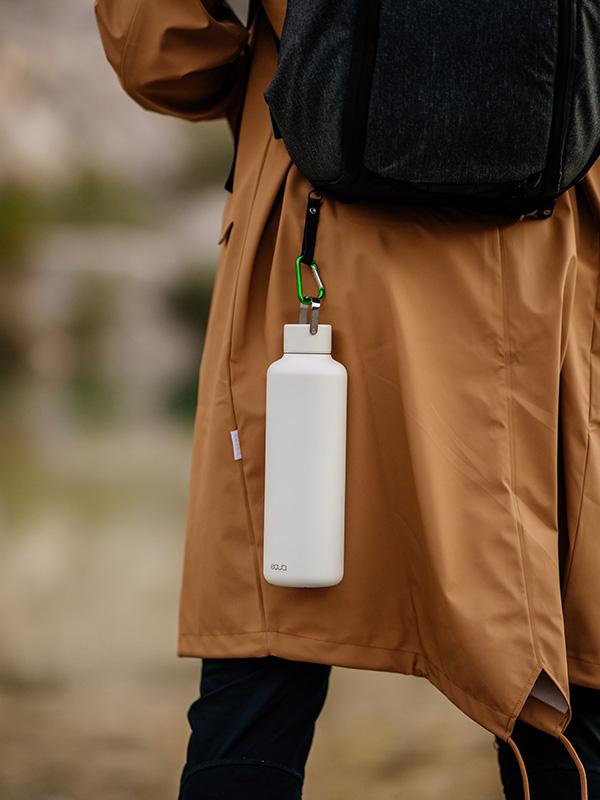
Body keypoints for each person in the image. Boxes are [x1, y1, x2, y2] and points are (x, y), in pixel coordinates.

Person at [94, 1, 600, 797]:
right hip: (551, 270)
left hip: (315, 268)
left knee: (262, 673)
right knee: (561, 673)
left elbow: (166, 57)